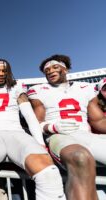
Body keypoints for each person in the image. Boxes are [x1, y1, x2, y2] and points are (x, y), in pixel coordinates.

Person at [0, 59, 65, 200]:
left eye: (4, 71)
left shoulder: (17, 86)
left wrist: (40, 142)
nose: (0, 73)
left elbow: (29, 116)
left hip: (17, 132)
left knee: (48, 173)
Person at [28, 54, 106, 200]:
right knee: (79, 157)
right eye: (47, 70)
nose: (50, 71)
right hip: (58, 136)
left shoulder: (86, 88)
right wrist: (52, 127)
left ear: (66, 69)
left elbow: (98, 121)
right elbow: (35, 123)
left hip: (86, 134)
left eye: (55, 67)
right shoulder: (38, 90)